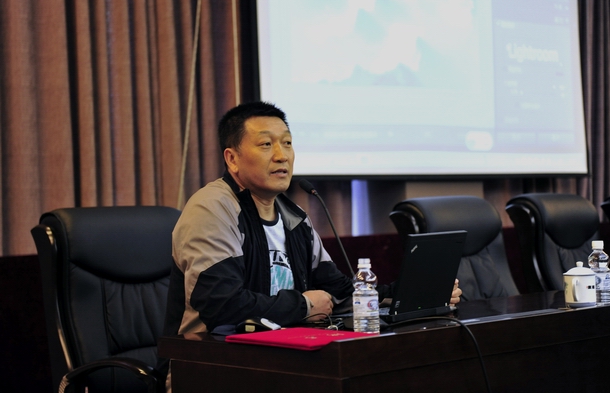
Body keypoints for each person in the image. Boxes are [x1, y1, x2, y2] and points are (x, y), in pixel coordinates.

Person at [160, 101, 461, 388]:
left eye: (287, 143)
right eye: (266, 144)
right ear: (232, 159)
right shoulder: (213, 208)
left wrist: (412, 294)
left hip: (284, 362)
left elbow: (339, 293)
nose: (281, 156)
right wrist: (304, 306)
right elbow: (222, 305)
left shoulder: (294, 218)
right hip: (212, 366)